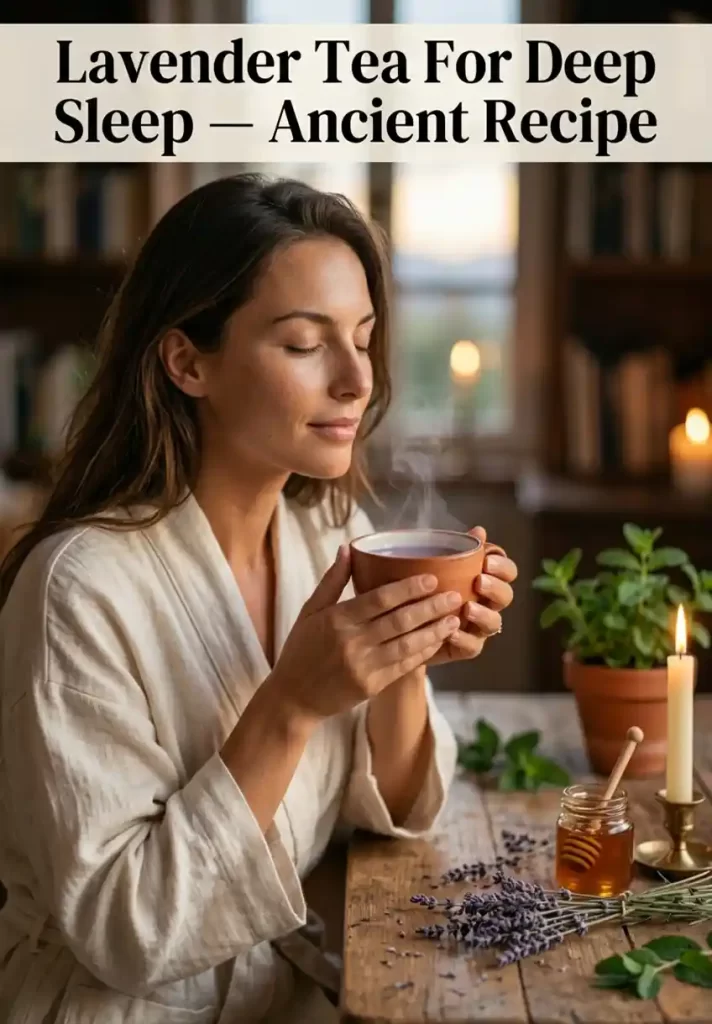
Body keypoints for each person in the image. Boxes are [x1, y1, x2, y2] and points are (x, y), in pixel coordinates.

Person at [0, 173, 518, 1023]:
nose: (356, 380)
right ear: (186, 361)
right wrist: (293, 701)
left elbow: (393, 813)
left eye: (363, 337)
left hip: (285, 996)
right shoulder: (79, 588)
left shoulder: (326, 534)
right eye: (306, 344)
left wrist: (402, 656)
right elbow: (125, 934)